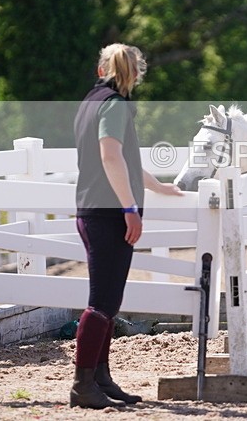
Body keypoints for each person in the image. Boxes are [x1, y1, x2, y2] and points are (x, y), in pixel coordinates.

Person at [71, 43, 182, 408]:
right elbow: (110, 154)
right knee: (102, 302)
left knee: (108, 301)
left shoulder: (91, 101)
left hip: (91, 210)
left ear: (101, 69)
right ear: (134, 74)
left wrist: (157, 186)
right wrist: (130, 207)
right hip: (107, 214)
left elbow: (126, 161)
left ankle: (100, 379)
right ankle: (82, 385)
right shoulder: (116, 106)